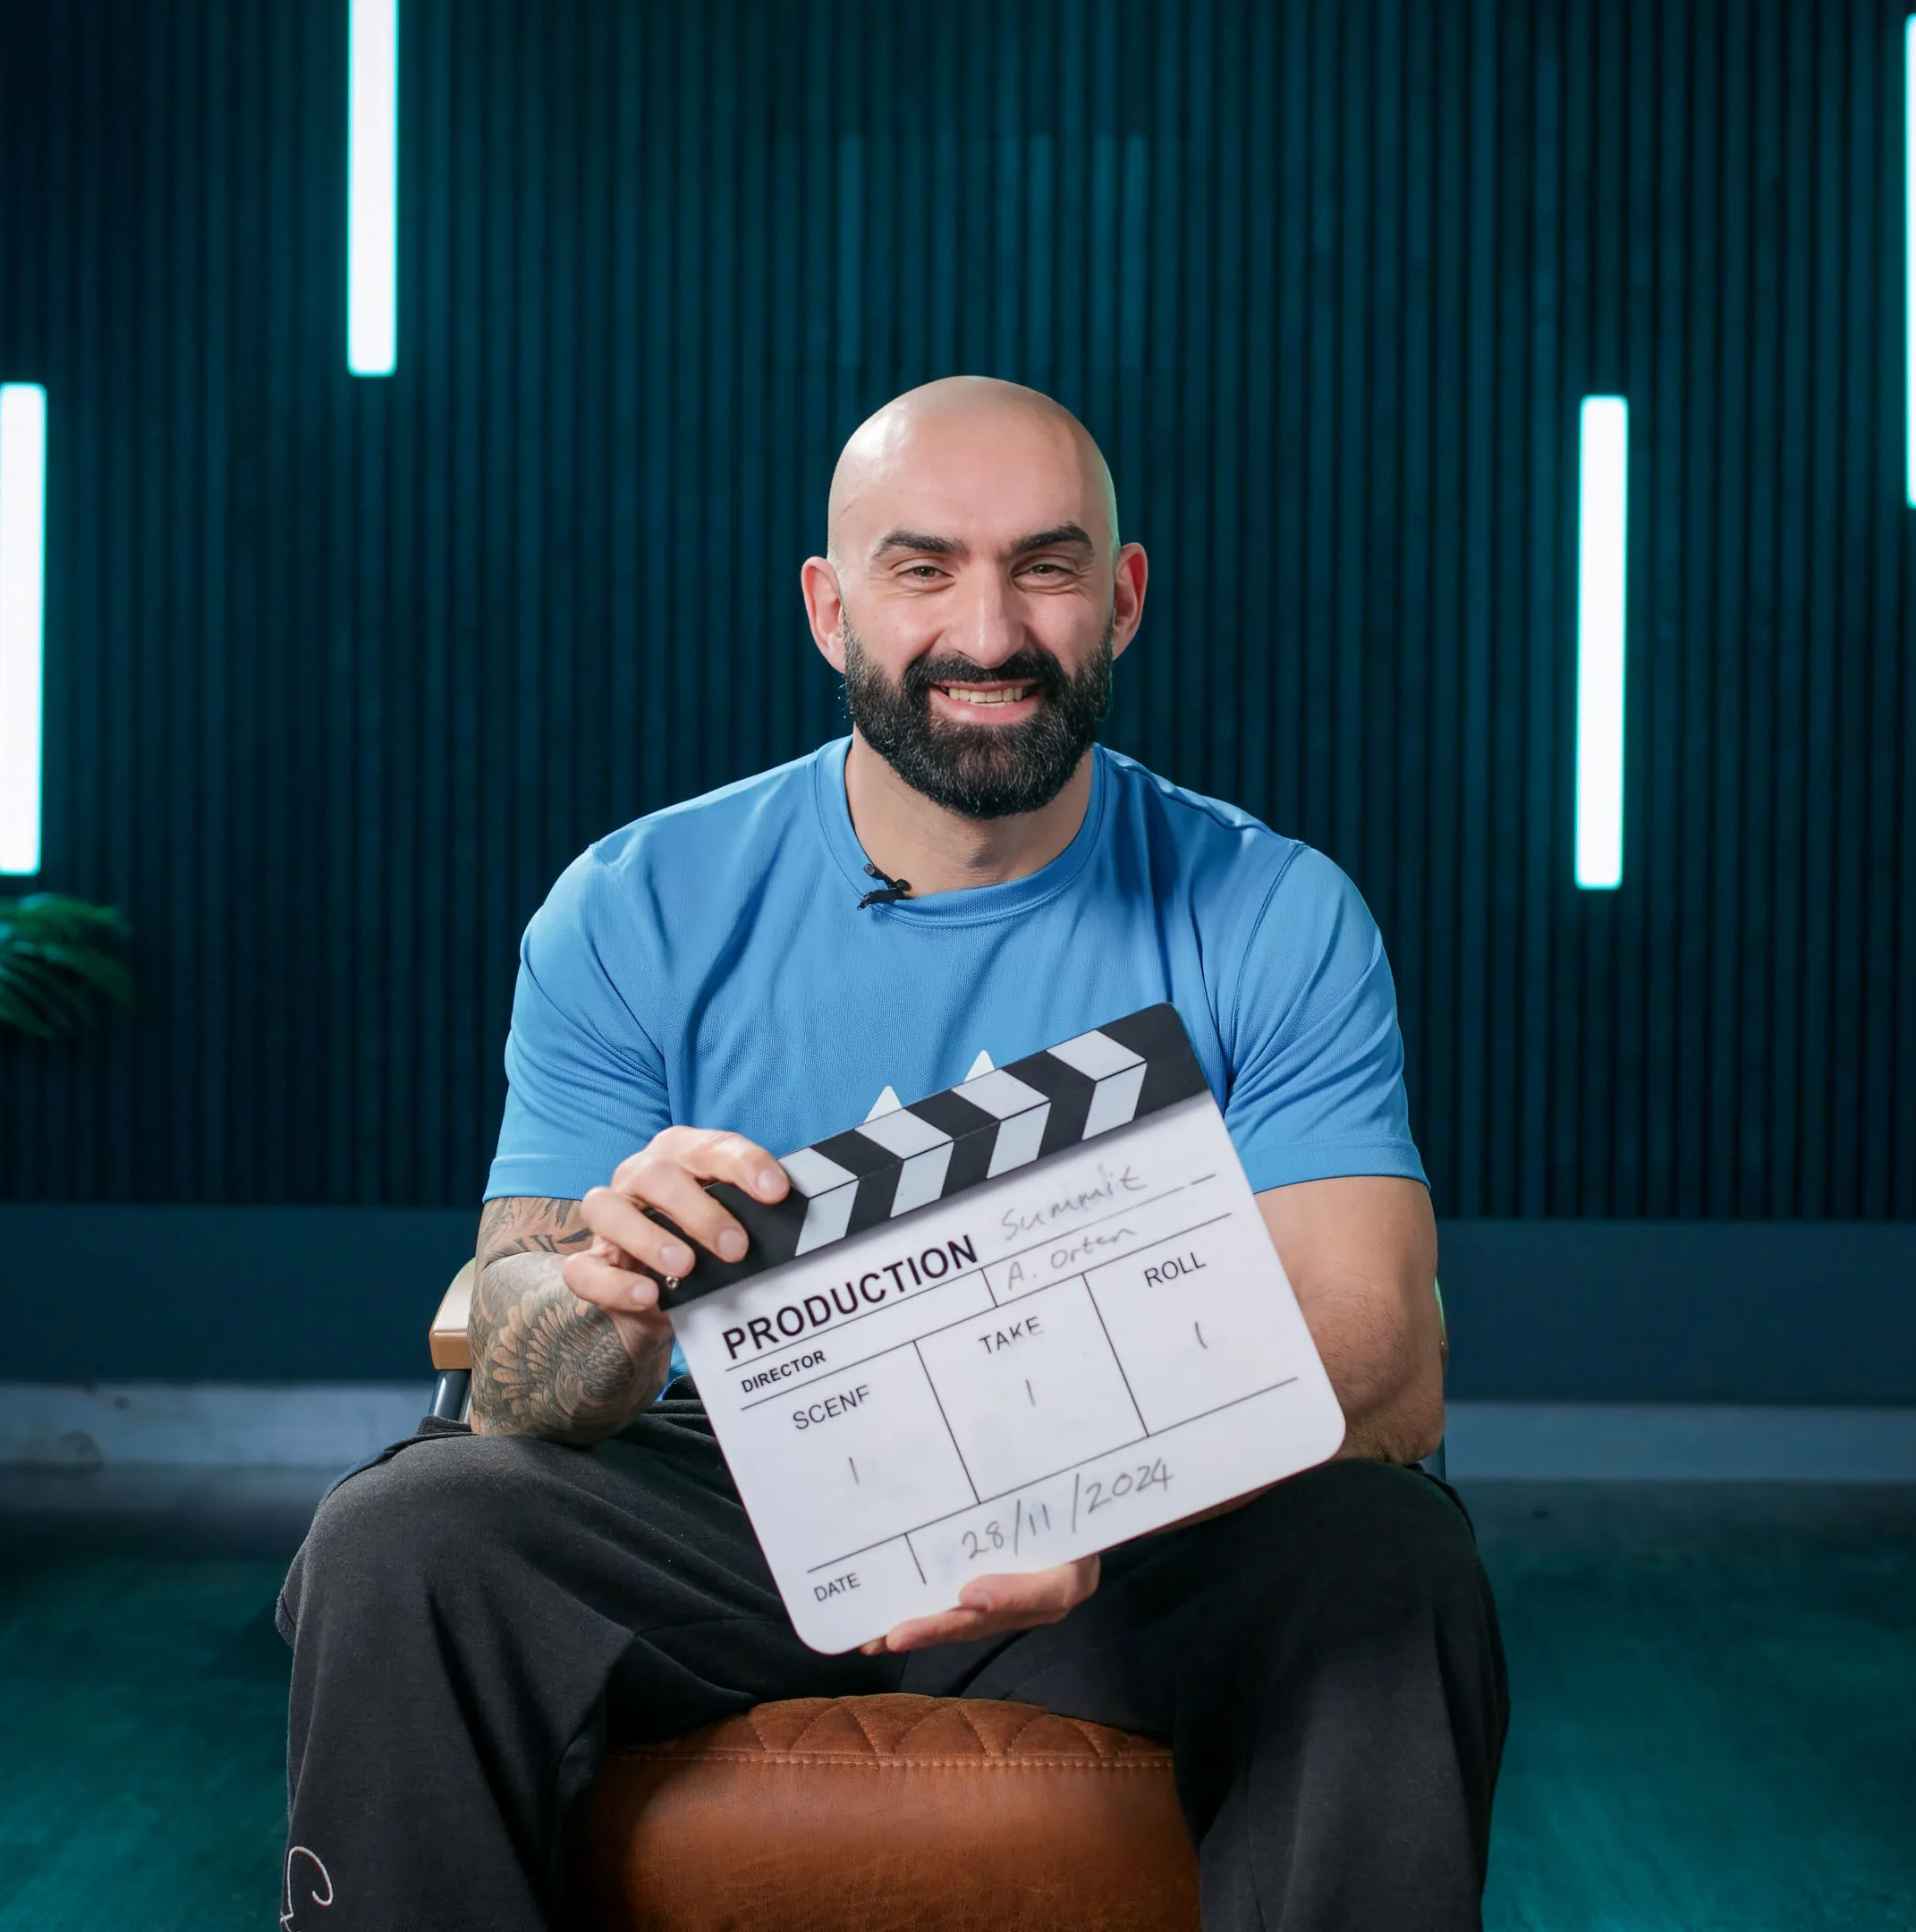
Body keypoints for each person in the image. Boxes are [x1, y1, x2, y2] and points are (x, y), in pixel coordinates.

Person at [276, 377, 1507, 1930]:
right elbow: (511, 1373)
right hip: (727, 1502)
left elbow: (1385, 1362)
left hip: (1143, 1531)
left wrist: (1085, 1493)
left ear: (1123, 599)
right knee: (402, 1538)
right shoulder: (635, 903)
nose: (986, 634)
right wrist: (602, 1293)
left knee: (1386, 1558)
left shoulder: (1271, 909)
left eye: (1045, 568)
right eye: (922, 569)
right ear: (828, 606)